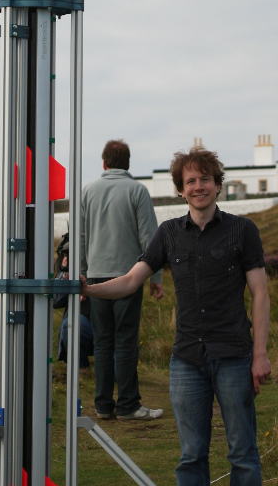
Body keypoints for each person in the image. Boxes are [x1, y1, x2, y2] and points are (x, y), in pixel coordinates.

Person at [82, 145, 271, 486]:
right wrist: (89, 290)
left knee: (243, 453)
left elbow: (260, 293)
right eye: (190, 181)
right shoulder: (168, 233)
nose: (198, 186)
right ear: (180, 190)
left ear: (218, 185)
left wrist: (260, 355)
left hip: (234, 356)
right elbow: (130, 280)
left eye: (205, 180)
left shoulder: (243, 231)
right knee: (191, 455)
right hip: (186, 361)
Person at [81, 139, 164, 421]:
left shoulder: (87, 191)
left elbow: (79, 238)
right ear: (128, 164)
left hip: (94, 279)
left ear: (104, 163)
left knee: (102, 342)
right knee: (126, 341)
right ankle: (128, 405)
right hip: (129, 278)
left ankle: (103, 406)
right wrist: (157, 277)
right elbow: (149, 240)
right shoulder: (137, 191)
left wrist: (79, 280)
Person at [54, 232, 93, 369]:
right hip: (84, 322)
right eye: (65, 255)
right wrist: (65, 278)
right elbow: (55, 301)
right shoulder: (67, 274)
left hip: (106, 321)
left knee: (119, 374)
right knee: (71, 326)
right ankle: (81, 368)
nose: (67, 258)